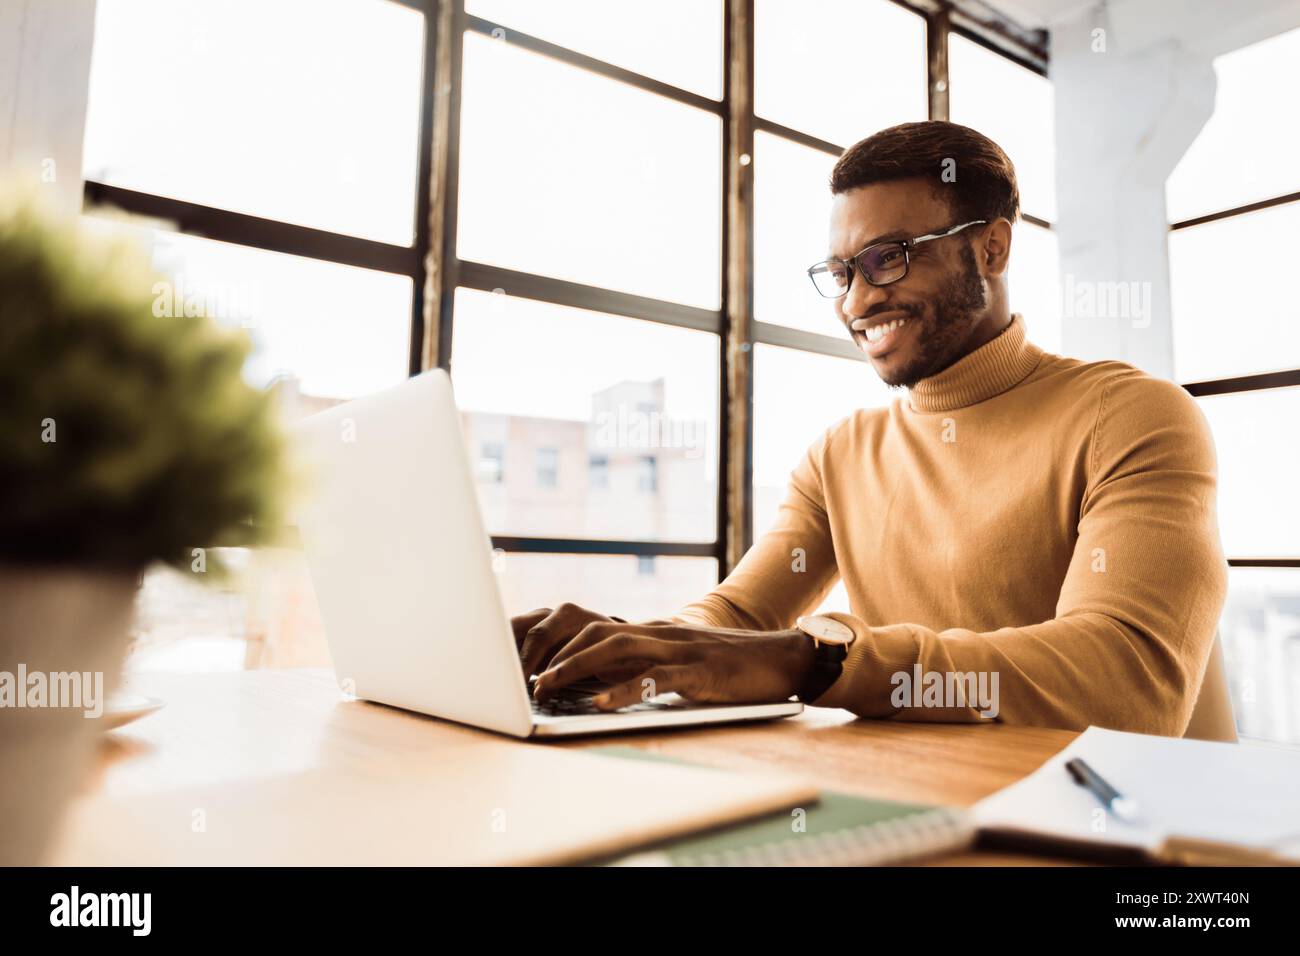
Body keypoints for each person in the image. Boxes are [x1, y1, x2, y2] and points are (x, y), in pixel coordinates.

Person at [518, 121, 1227, 736]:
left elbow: (1126, 682)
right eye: (841, 270)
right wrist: (625, 649)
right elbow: (739, 613)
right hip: (936, 804)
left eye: (890, 257)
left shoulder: (1133, 416)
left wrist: (822, 659)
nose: (857, 301)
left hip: (1130, 835)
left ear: (991, 250)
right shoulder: (840, 454)